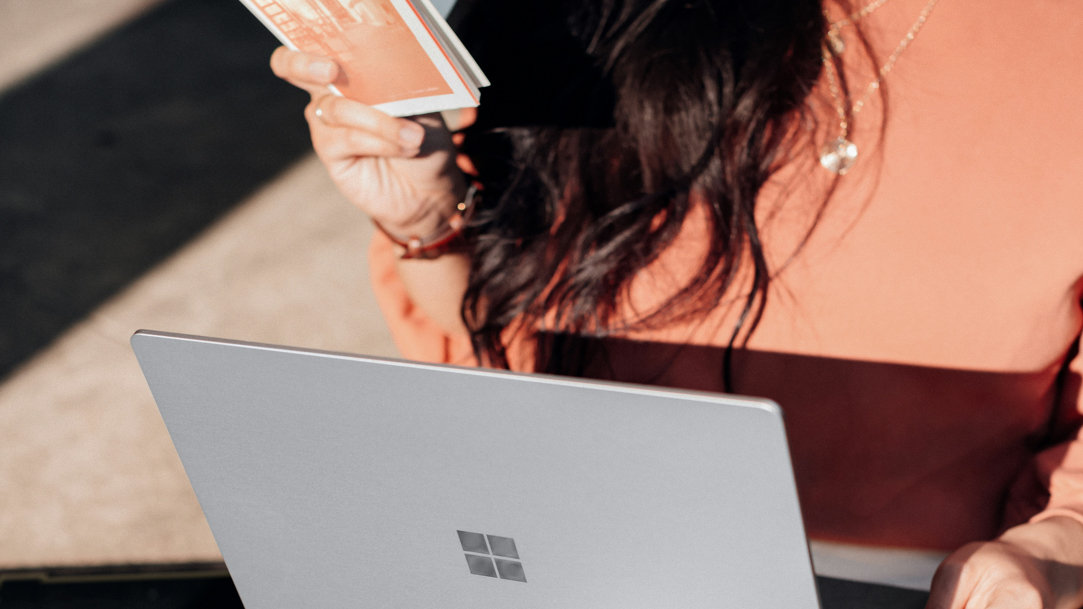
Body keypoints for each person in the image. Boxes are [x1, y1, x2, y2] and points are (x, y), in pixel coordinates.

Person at [270, 0, 1083, 606]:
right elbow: (501, 376)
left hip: (916, 582)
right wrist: (427, 220)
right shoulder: (568, 14)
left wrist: (1061, 539)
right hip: (580, 552)